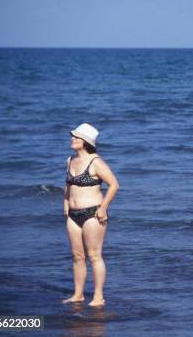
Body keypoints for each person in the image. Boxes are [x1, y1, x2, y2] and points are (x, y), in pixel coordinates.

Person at [62, 123, 119, 306]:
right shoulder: (70, 160)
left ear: (86, 141)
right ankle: (78, 294)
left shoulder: (96, 162)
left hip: (93, 214)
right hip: (73, 214)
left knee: (94, 256)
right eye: (73, 136)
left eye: (76, 137)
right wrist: (65, 203)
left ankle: (98, 297)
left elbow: (114, 185)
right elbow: (68, 185)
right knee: (77, 256)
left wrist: (103, 208)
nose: (73, 138)